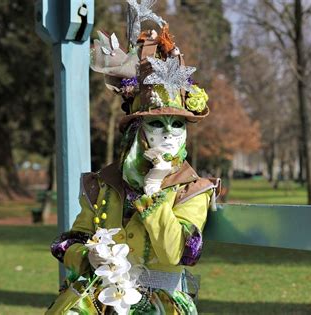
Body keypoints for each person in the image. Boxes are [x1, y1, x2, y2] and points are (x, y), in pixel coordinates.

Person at [46, 2, 219, 314]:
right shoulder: (103, 184)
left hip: (159, 305)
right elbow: (66, 243)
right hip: (100, 300)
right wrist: (88, 257)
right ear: (136, 131)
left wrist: (154, 191)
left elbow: (174, 254)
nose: (169, 133)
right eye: (157, 123)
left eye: (177, 124)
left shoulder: (192, 189)